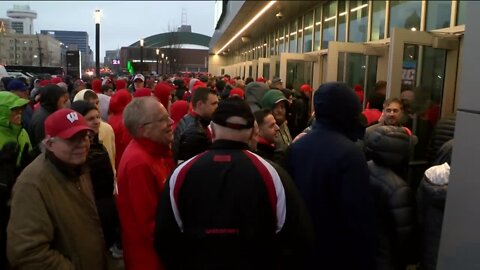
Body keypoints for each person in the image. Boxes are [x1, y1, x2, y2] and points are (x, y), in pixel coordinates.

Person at [154, 97, 314, 270]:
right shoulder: (272, 174)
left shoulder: (182, 174)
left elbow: (164, 239)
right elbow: (299, 239)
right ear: (254, 132)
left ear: (212, 130)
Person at [287, 82, 375, 269]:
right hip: (336, 251)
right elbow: (357, 217)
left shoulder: (297, 147)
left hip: (302, 247)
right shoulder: (351, 153)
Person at [7, 109, 107, 269]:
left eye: (84, 137)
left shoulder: (77, 166)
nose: (82, 143)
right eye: (72, 139)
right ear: (50, 143)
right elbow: (27, 252)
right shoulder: (32, 184)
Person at [116, 97, 175, 270]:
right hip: (149, 259)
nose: (171, 122)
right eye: (163, 119)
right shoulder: (139, 163)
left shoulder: (154, 152)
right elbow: (149, 224)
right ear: (145, 130)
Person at [365, 125, 416, 270]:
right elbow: (403, 236)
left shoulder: (365, 167)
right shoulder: (399, 189)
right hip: (384, 258)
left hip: (364, 248)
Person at [71, 101, 117, 249]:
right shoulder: (78, 152)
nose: (97, 121)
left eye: (98, 117)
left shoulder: (96, 143)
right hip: (92, 214)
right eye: (91, 119)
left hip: (105, 209)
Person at [0, 92, 32, 269]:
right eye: (14, 112)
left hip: (21, 201)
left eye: (20, 111)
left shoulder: (22, 133)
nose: (19, 115)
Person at [173, 87, 218, 164]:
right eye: (213, 104)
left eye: (217, 103)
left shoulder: (188, 118)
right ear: (200, 104)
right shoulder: (195, 133)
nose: (217, 107)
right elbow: (195, 166)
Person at [28, 84, 69, 158]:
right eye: (62, 98)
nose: (65, 101)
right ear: (54, 98)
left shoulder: (47, 111)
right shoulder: (43, 118)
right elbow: (43, 146)